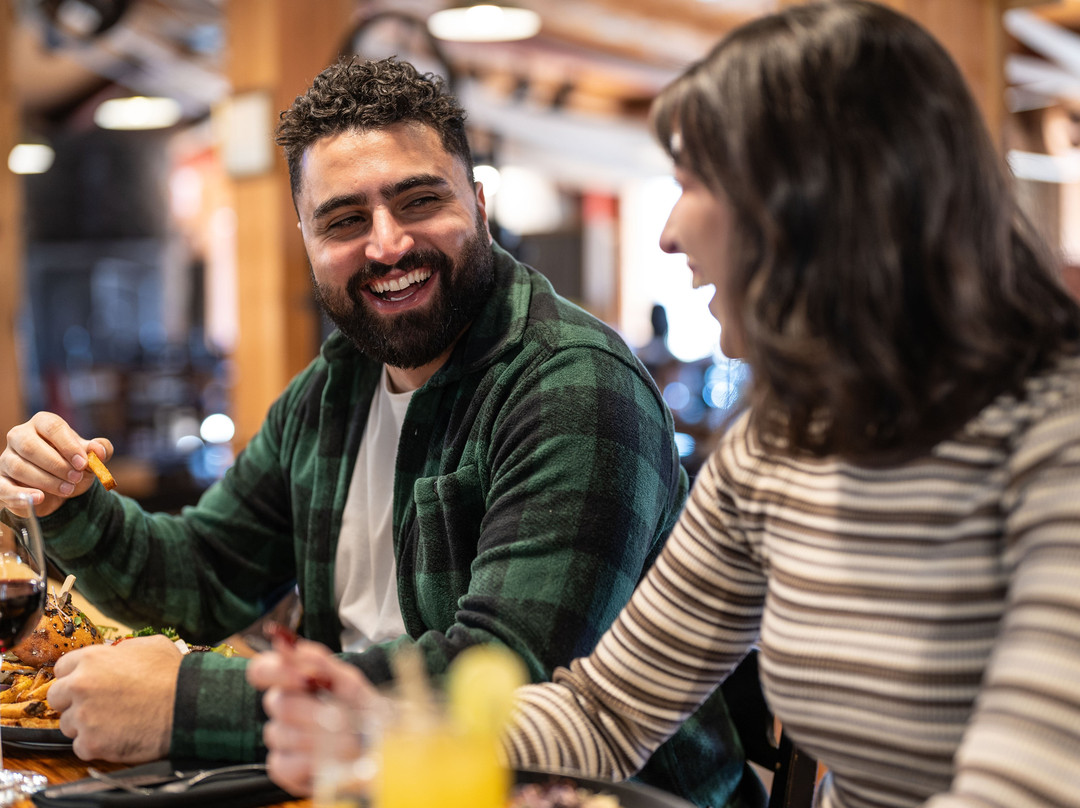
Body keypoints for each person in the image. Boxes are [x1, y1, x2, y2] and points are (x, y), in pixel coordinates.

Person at [248, 3, 1080, 807]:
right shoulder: (781, 443)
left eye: (692, 184)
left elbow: (1027, 789)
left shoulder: (1056, 441)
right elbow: (608, 711)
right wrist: (384, 723)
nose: (668, 234)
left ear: (819, 202)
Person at [0, 58, 752, 807]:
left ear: (480, 205)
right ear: (306, 238)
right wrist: (69, 503)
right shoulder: (336, 386)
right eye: (345, 220)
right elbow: (201, 576)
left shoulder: (574, 386)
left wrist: (190, 701)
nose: (387, 245)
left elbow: (504, 674)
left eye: (419, 201)